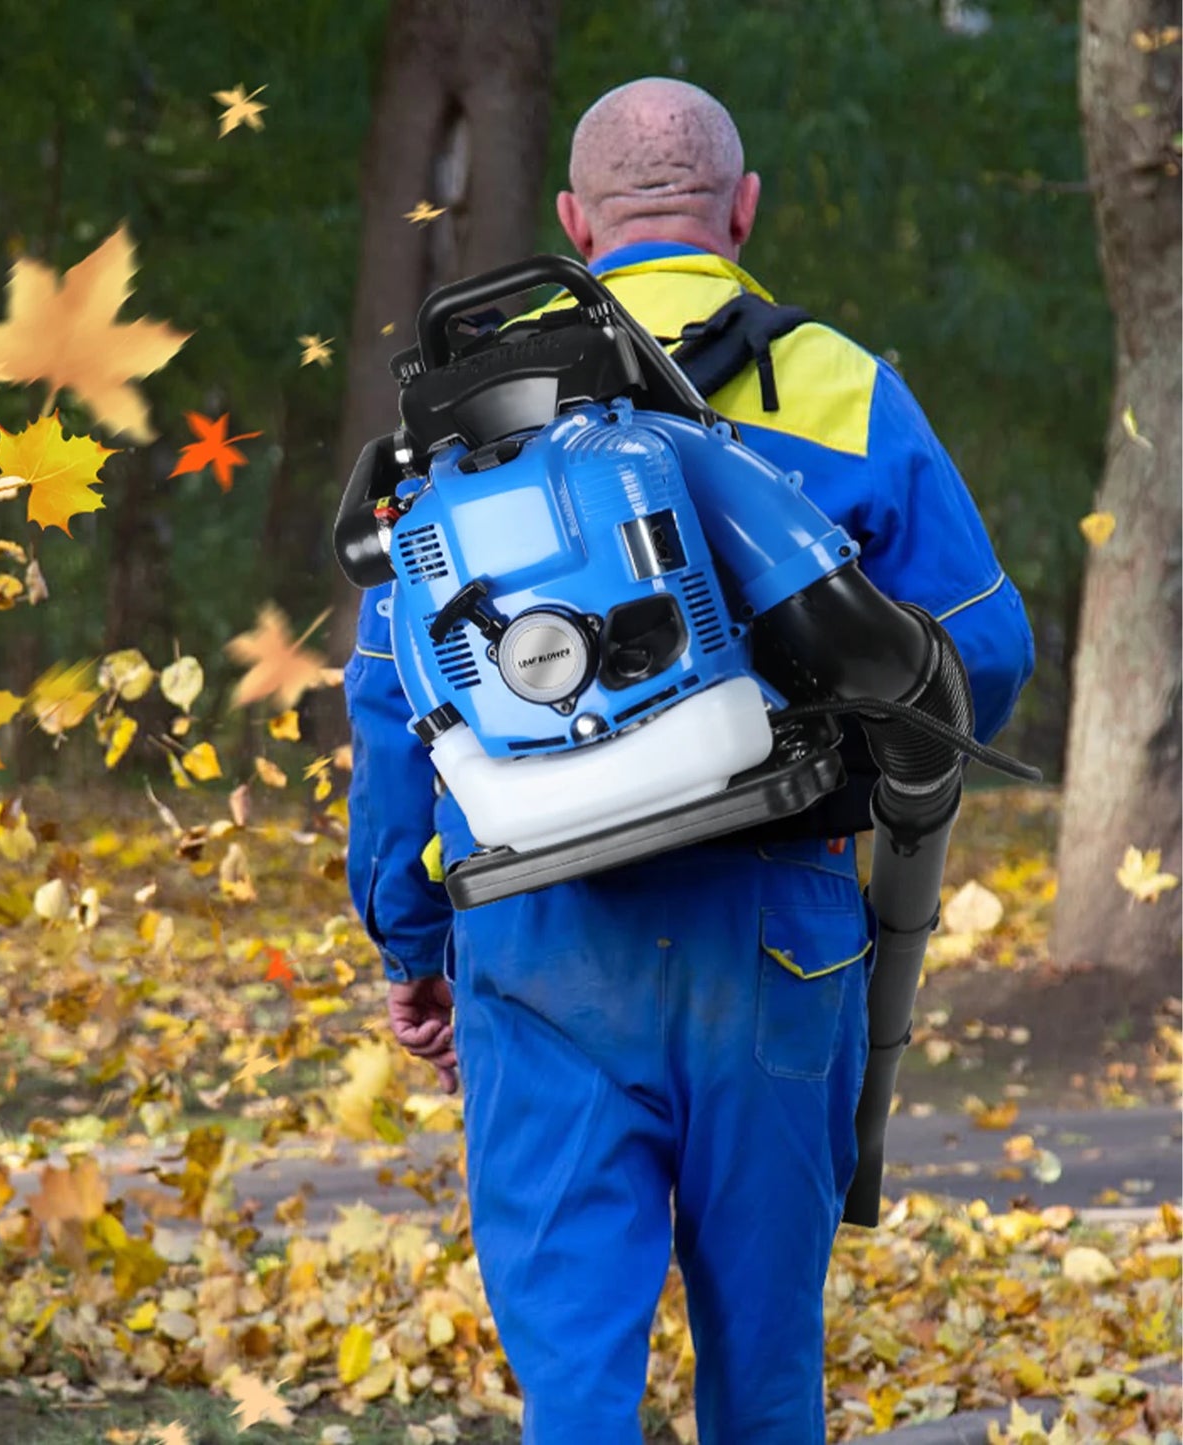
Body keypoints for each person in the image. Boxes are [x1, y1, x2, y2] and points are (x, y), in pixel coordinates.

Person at [341, 77, 1035, 1445]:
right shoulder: (836, 381)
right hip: (782, 929)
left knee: (579, 1388)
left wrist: (408, 940)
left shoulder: (465, 414)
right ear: (741, 207)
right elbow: (983, 656)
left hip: (541, 934)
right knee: (765, 1378)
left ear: (572, 222)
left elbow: (390, 702)